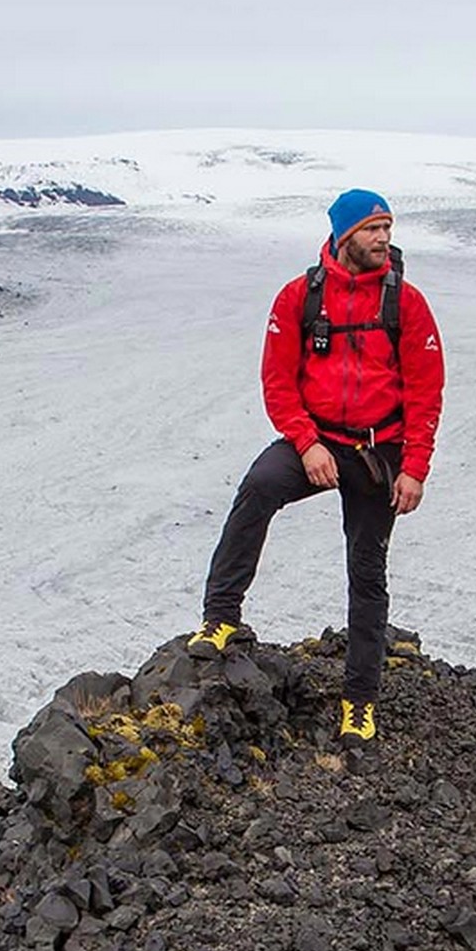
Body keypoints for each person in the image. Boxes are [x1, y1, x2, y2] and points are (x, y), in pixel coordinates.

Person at [189, 187, 445, 743]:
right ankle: (221, 616)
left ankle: (359, 701)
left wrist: (415, 467)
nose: (384, 239)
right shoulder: (298, 299)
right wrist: (306, 444)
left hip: (381, 453)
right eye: (374, 229)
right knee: (258, 488)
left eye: (388, 228)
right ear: (345, 234)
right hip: (319, 441)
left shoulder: (407, 303)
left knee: (367, 570)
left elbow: (427, 391)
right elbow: (278, 383)